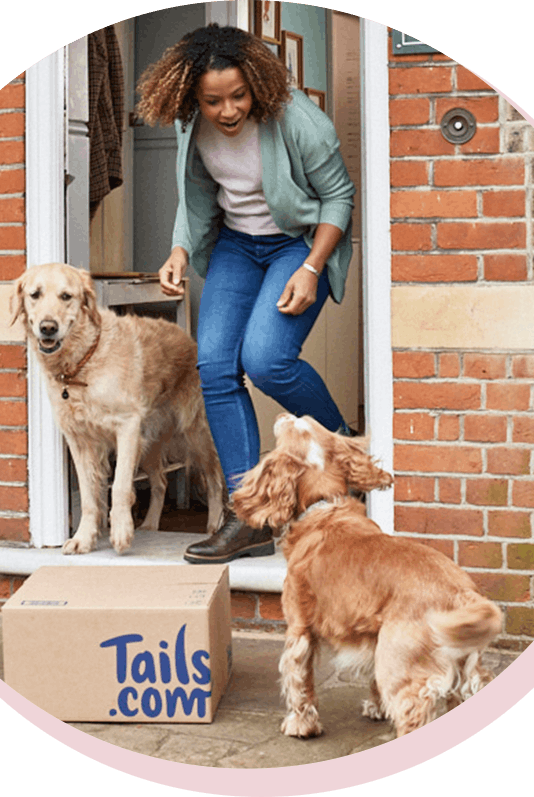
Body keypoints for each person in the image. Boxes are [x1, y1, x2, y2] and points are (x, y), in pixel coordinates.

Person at [135, 24, 355, 564]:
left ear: (256, 84)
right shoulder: (193, 125)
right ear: (192, 96)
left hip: (296, 244)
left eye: (238, 96)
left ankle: (344, 453)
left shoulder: (298, 120)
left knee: (267, 360)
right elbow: (197, 199)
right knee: (213, 365)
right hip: (237, 246)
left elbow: (338, 198)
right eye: (213, 101)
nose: (228, 110)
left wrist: (310, 267)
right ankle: (249, 516)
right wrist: (179, 252)